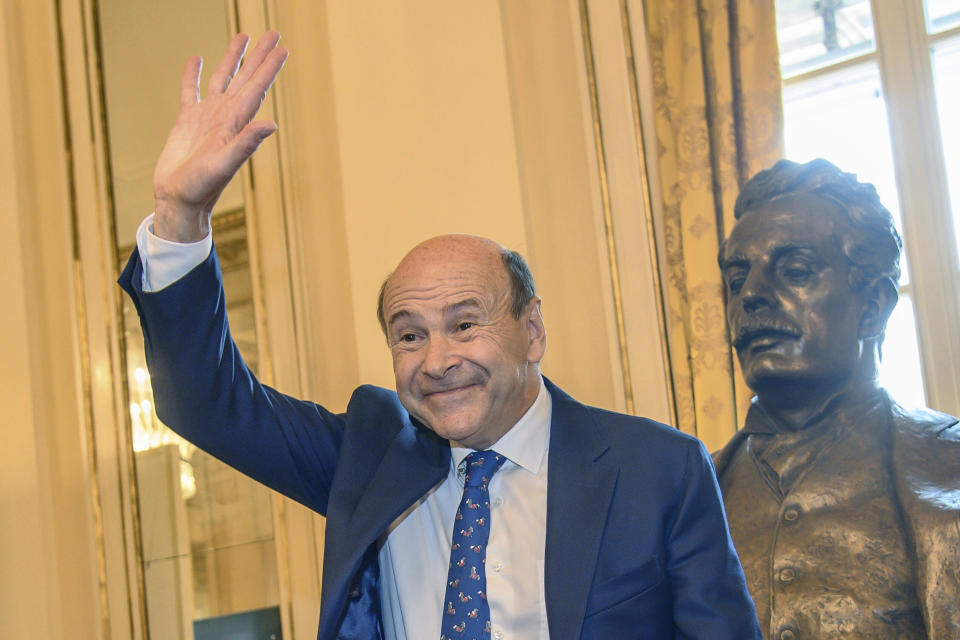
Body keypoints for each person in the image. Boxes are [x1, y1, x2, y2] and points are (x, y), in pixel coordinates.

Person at [119, 31, 762, 639]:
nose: (437, 360)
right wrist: (181, 215)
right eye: (408, 336)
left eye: (463, 325)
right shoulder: (370, 458)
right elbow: (206, 403)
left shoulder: (657, 469)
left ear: (531, 329)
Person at [713, 158, 960, 639]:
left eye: (796, 270)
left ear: (873, 306)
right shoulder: (690, 493)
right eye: (737, 279)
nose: (751, 296)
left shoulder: (949, 465)